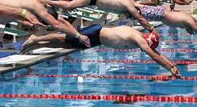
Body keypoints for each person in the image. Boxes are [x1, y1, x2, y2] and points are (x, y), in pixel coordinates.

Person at [22, 25, 181, 78]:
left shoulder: (141, 37)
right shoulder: (138, 38)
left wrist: (172, 65)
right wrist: (170, 68)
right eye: (150, 46)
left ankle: (36, 45)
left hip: (98, 40)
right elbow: (154, 56)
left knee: (67, 47)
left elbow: (156, 54)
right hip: (95, 33)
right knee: (64, 38)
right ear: (149, 41)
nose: (149, 49)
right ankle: (35, 39)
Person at [0, 0, 89, 47]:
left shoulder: (39, 1)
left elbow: (60, 19)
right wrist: (79, 36)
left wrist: (76, 33)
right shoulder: (38, 7)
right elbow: (57, 24)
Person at [132, 2, 197, 53]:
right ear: (193, 28)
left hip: (160, 13)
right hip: (160, 14)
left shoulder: (189, 19)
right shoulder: (190, 22)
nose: (190, 33)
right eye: (192, 32)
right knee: (134, 11)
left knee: (139, 7)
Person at [43, 0, 154, 31]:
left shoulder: (129, 4)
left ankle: (49, 2)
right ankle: (47, 1)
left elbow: (139, 6)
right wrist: (150, 28)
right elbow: (139, 18)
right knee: (68, 6)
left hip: (96, 0)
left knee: (70, 7)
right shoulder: (129, 6)